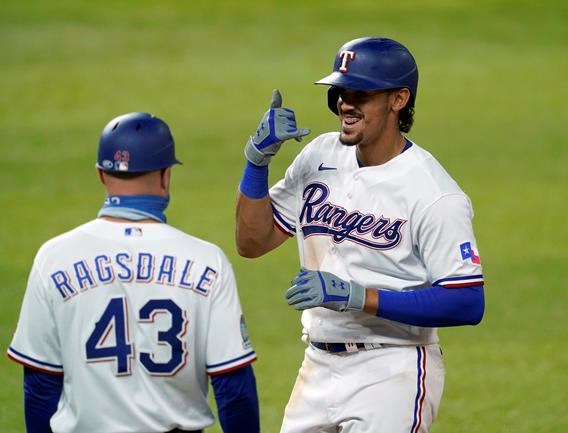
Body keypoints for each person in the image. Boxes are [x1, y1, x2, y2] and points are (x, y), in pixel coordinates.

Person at [236, 36, 485, 432]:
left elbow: (468, 302)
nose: (345, 104)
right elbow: (251, 243)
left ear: (398, 99)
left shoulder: (434, 193)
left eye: (361, 93)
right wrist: (256, 161)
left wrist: (357, 297)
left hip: (392, 370)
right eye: (340, 92)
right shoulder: (320, 155)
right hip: (317, 364)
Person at [7, 112, 260, 433]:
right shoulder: (206, 261)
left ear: (101, 175)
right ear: (166, 175)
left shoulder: (54, 257)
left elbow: (41, 384)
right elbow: (233, 389)